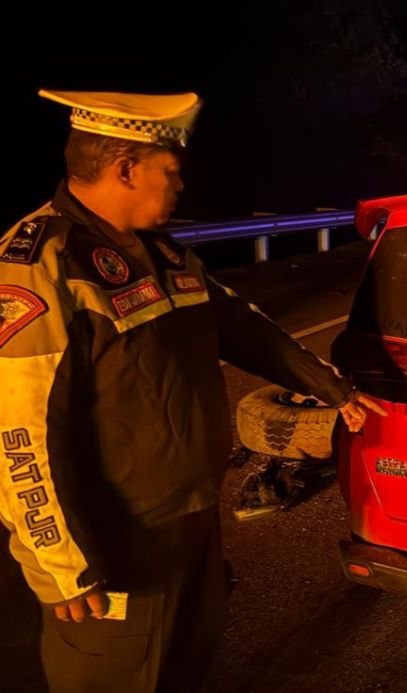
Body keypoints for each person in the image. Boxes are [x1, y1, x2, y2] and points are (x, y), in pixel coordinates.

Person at [0, 89, 387, 692]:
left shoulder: (164, 253)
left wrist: (332, 389)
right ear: (126, 169)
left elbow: (241, 327)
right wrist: (61, 565)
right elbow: (18, 431)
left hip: (192, 520)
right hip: (118, 541)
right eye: (171, 173)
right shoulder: (42, 265)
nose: (181, 187)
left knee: (185, 666)